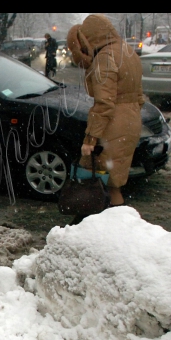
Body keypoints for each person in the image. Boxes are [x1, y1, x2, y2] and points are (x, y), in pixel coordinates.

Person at [67, 14, 144, 209]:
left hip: (112, 125)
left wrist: (90, 139)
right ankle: (113, 224)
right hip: (130, 120)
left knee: (103, 181)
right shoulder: (126, 51)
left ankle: (107, 226)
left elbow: (104, 104)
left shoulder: (105, 58)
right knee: (114, 180)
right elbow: (139, 95)